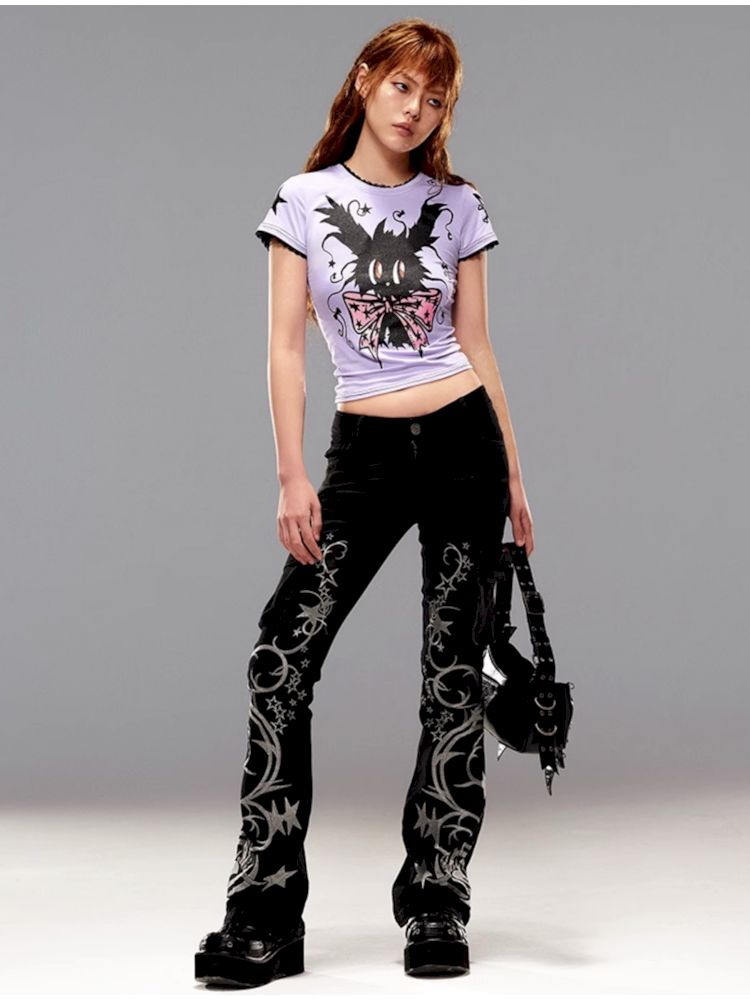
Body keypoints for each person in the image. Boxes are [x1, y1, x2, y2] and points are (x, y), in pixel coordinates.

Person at [195, 17, 535, 988]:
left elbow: (478, 343)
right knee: (280, 658)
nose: (416, 109)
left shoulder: (457, 204)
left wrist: (515, 475)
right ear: (364, 79)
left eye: (435, 97)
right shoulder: (304, 200)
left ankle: (437, 895)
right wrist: (291, 474)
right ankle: (265, 909)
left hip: (464, 445)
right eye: (402, 86)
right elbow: (285, 346)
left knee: (453, 675)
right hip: (365, 454)